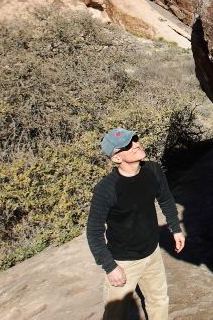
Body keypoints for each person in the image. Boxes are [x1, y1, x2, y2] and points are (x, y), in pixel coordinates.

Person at [86, 128, 186, 320]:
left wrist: (175, 229)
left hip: (152, 253)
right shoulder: (106, 190)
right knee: (116, 314)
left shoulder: (153, 170)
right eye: (127, 145)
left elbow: (165, 199)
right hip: (123, 261)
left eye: (135, 139)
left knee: (159, 301)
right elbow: (94, 232)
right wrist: (110, 267)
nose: (136, 144)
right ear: (116, 158)